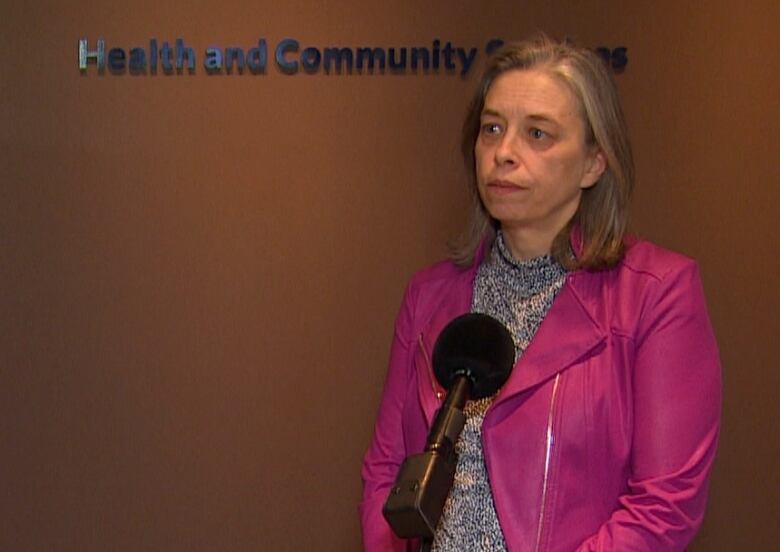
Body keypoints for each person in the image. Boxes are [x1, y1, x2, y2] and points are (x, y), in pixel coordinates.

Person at [360, 35, 721, 551]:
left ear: (595, 161)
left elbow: (664, 507)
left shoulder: (658, 295)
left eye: (538, 134)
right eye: (492, 129)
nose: (504, 154)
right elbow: (384, 471)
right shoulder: (429, 295)